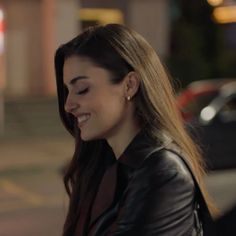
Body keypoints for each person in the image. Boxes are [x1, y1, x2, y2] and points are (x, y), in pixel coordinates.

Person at [54, 24, 217, 236]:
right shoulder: (100, 167)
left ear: (130, 85)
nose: (68, 105)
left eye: (82, 89)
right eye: (68, 91)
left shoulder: (162, 173)